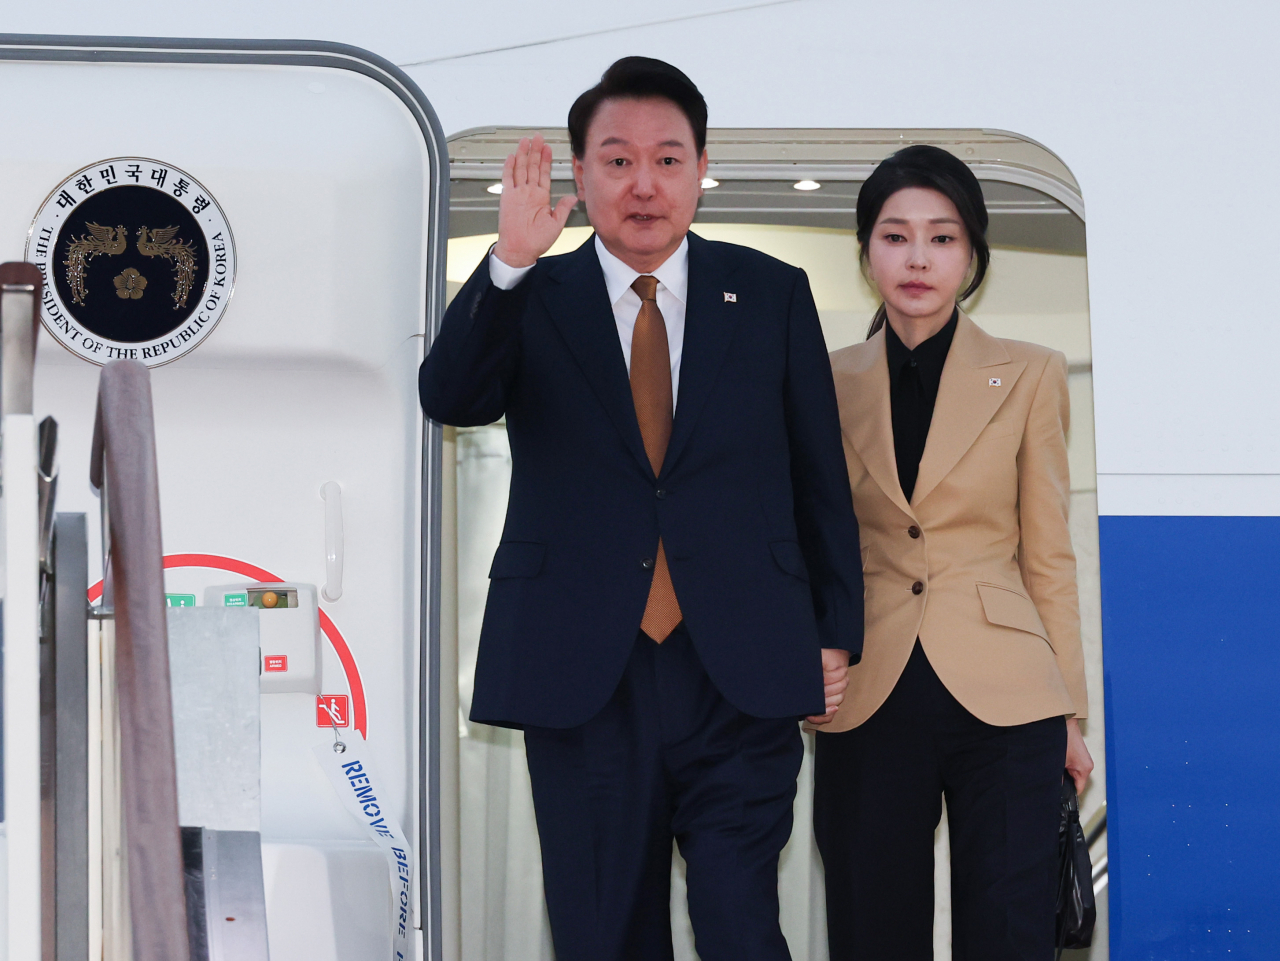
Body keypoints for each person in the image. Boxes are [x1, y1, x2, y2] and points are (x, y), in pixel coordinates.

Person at [419, 57, 863, 960]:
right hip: (585, 665)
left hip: (739, 658)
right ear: (580, 178)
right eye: (617, 161)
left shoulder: (770, 291)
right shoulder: (529, 293)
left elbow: (818, 474)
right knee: (602, 929)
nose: (644, 184)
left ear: (703, 169)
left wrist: (834, 629)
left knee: (741, 918)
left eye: (668, 158)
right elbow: (452, 396)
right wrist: (507, 261)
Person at [813, 144, 1094, 961]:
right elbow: (804, 539)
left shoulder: (1033, 373)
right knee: (871, 928)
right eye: (896, 236)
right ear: (867, 250)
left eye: (943, 237)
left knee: (1008, 932)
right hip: (867, 690)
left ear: (972, 256)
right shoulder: (822, 379)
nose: (918, 257)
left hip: (1007, 698)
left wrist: (1069, 713)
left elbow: (1049, 553)